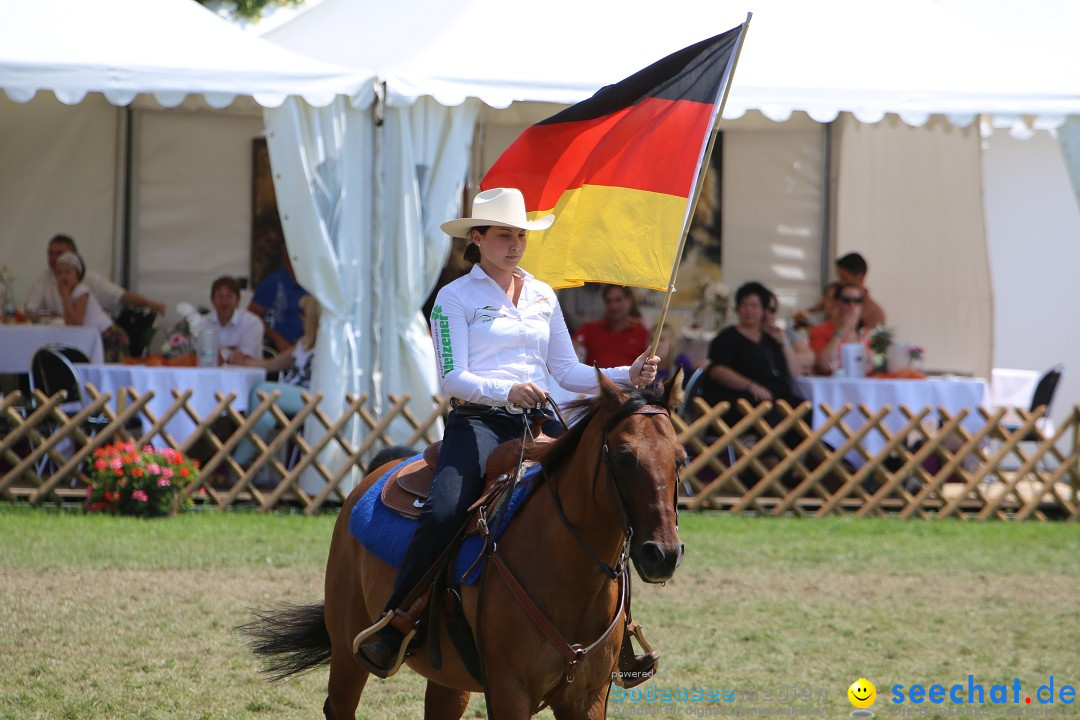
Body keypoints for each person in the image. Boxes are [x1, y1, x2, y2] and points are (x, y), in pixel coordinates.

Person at [356, 187, 660, 677]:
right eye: (503, 235)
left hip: (541, 422)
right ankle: (399, 620)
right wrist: (506, 390)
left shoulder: (542, 294)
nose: (515, 244)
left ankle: (616, 630)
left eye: (520, 235)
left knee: (605, 501)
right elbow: (452, 377)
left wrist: (629, 372)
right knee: (445, 510)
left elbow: (567, 371)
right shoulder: (452, 298)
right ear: (477, 239)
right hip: (478, 422)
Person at [700, 281, 804, 427]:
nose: (749, 310)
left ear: (763, 310)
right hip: (743, 400)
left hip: (777, 397)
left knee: (806, 410)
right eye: (744, 305)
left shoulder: (771, 339)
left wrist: (784, 342)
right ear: (738, 308)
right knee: (773, 415)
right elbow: (717, 371)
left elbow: (795, 372)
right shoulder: (726, 338)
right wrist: (751, 386)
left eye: (754, 306)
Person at [233, 295, 319, 468]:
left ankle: (238, 462)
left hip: (310, 397)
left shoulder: (325, 346)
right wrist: (245, 362)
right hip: (289, 394)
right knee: (266, 416)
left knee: (262, 390)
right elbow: (271, 364)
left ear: (313, 317)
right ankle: (245, 464)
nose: (299, 317)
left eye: (303, 313)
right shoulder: (302, 342)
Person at [25, 234, 165, 317]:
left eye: (59, 254)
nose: (53, 258)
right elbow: (30, 311)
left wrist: (150, 304)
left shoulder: (88, 280)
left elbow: (121, 296)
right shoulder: (42, 280)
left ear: (73, 257)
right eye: (50, 253)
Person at [53, 251, 129, 361]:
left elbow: (76, 322)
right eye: (59, 273)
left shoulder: (81, 291)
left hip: (108, 336)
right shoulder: (71, 293)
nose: (63, 276)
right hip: (98, 336)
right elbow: (69, 320)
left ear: (77, 274)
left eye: (67, 272)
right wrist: (64, 297)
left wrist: (64, 297)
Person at [573, 285, 649, 367]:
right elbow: (571, 356)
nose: (613, 306)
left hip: (629, 379)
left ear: (629, 300)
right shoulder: (589, 329)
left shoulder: (643, 334)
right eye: (608, 301)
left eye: (618, 300)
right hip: (592, 379)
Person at [248, 250, 309, 352]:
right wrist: (277, 339)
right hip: (274, 347)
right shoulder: (273, 282)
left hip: (300, 346)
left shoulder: (307, 285)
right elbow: (252, 316)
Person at [809, 283, 866, 376]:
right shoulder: (819, 330)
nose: (852, 305)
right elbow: (824, 365)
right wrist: (840, 332)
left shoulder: (867, 333)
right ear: (836, 303)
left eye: (857, 300)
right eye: (846, 300)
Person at [207, 276, 264, 363]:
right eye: (220, 296)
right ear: (212, 299)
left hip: (245, 375)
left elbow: (244, 358)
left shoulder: (252, 323)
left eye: (229, 296)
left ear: (238, 299)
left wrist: (219, 356)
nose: (224, 302)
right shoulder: (204, 322)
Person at [835, 252, 885, 329]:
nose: (840, 282)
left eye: (844, 278)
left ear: (859, 278)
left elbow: (870, 340)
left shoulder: (874, 313)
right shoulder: (833, 299)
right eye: (839, 277)